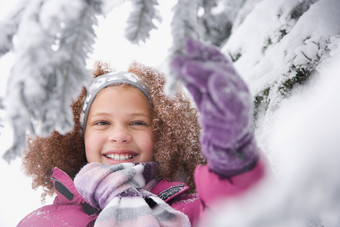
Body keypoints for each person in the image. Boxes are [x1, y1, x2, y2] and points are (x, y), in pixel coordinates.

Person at [18, 39, 265, 227]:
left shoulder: (193, 209)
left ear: (162, 133)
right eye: (102, 123)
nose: (120, 135)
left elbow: (249, 207)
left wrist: (233, 156)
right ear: (77, 137)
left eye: (137, 123)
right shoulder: (44, 221)